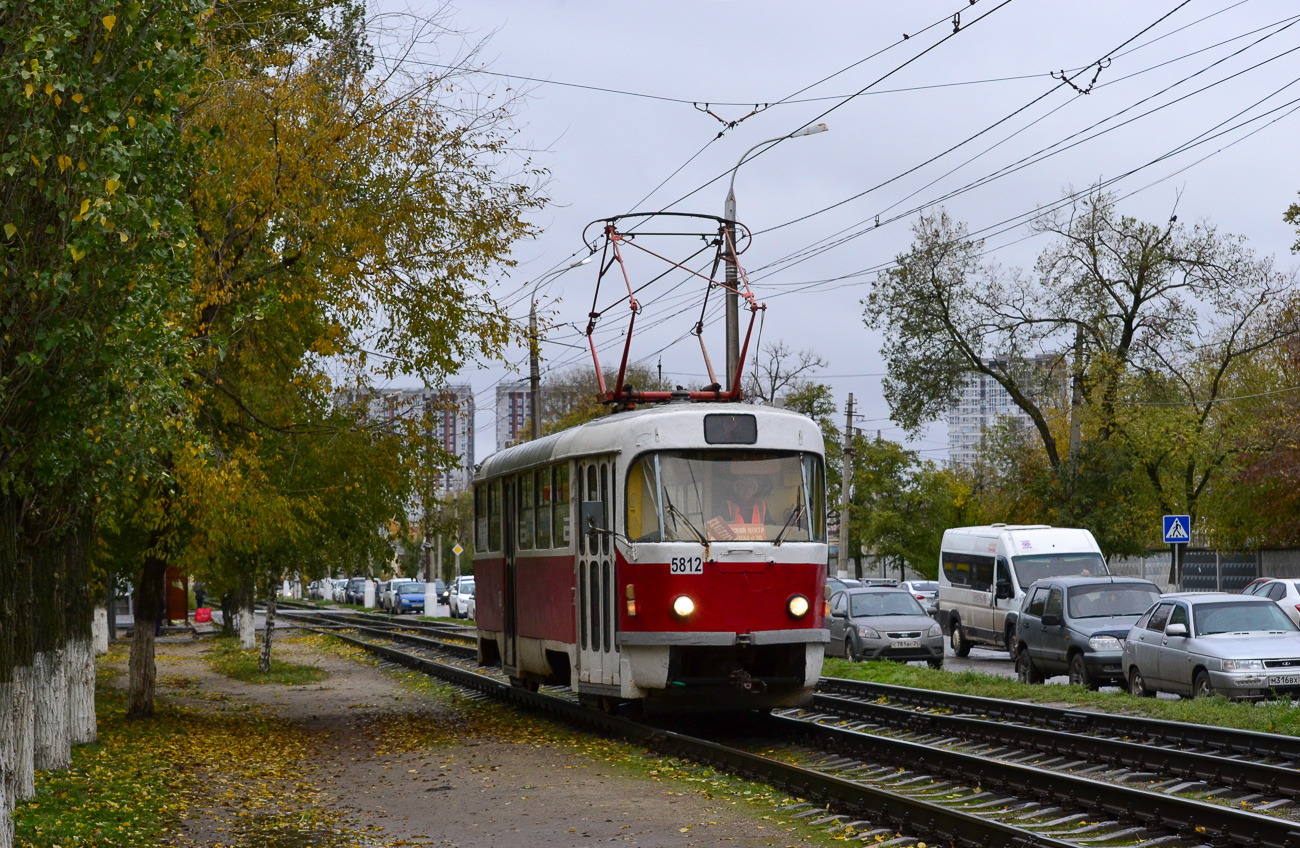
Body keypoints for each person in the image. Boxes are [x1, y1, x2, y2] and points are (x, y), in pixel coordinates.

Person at [706, 475, 769, 540]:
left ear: (754, 490)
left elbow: (770, 528)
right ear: (736, 488)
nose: (746, 489)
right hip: (733, 546)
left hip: (758, 546)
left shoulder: (761, 506)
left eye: (750, 486)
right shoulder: (726, 506)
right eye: (742, 485)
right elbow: (718, 530)